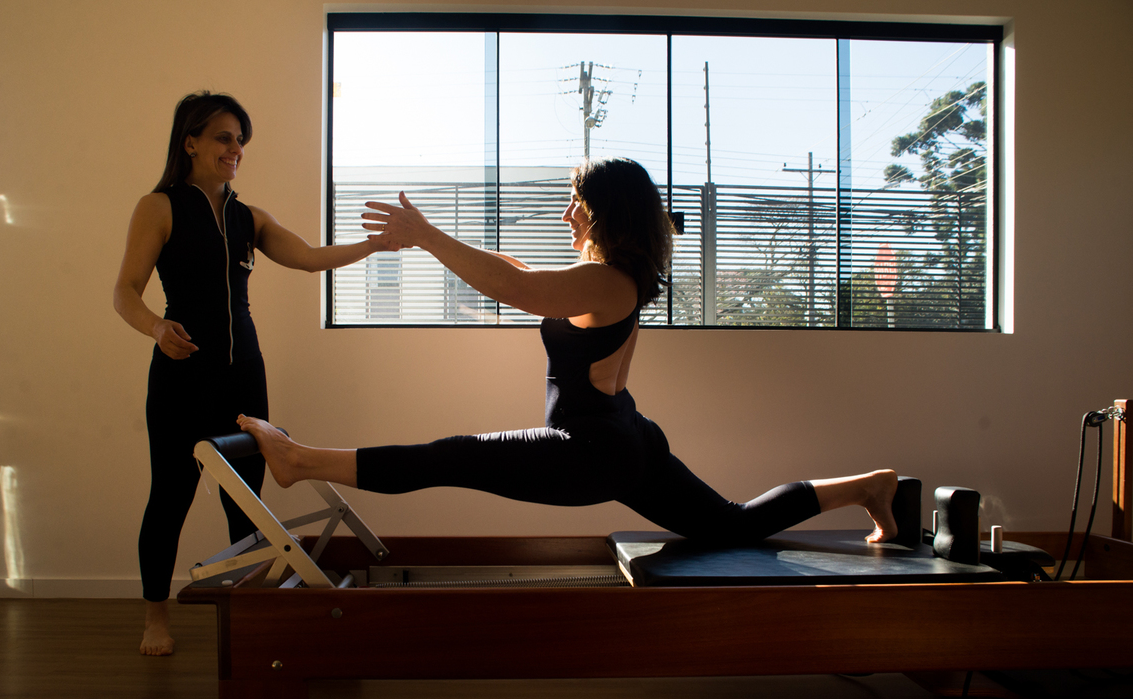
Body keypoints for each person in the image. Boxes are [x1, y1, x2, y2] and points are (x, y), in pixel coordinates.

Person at [236, 157, 898, 554]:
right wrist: (439, 238)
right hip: (628, 436)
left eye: (576, 205)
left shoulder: (607, 281)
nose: (566, 215)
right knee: (730, 525)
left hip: (592, 447)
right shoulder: (617, 273)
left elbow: (516, 287)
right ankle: (866, 486)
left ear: (607, 213)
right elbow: (517, 268)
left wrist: (427, 236)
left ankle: (296, 459)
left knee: (448, 455)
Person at [114, 92, 398, 655]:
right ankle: (155, 618)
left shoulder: (250, 218)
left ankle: (242, 618)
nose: (235, 148)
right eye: (224, 137)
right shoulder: (159, 206)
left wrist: (377, 245)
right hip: (180, 374)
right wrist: (155, 327)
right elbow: (124, 291)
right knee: (170, 496)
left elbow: (311, 257)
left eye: (240, 139)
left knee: (244, 501)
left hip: (244, 374)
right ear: (190, 141)